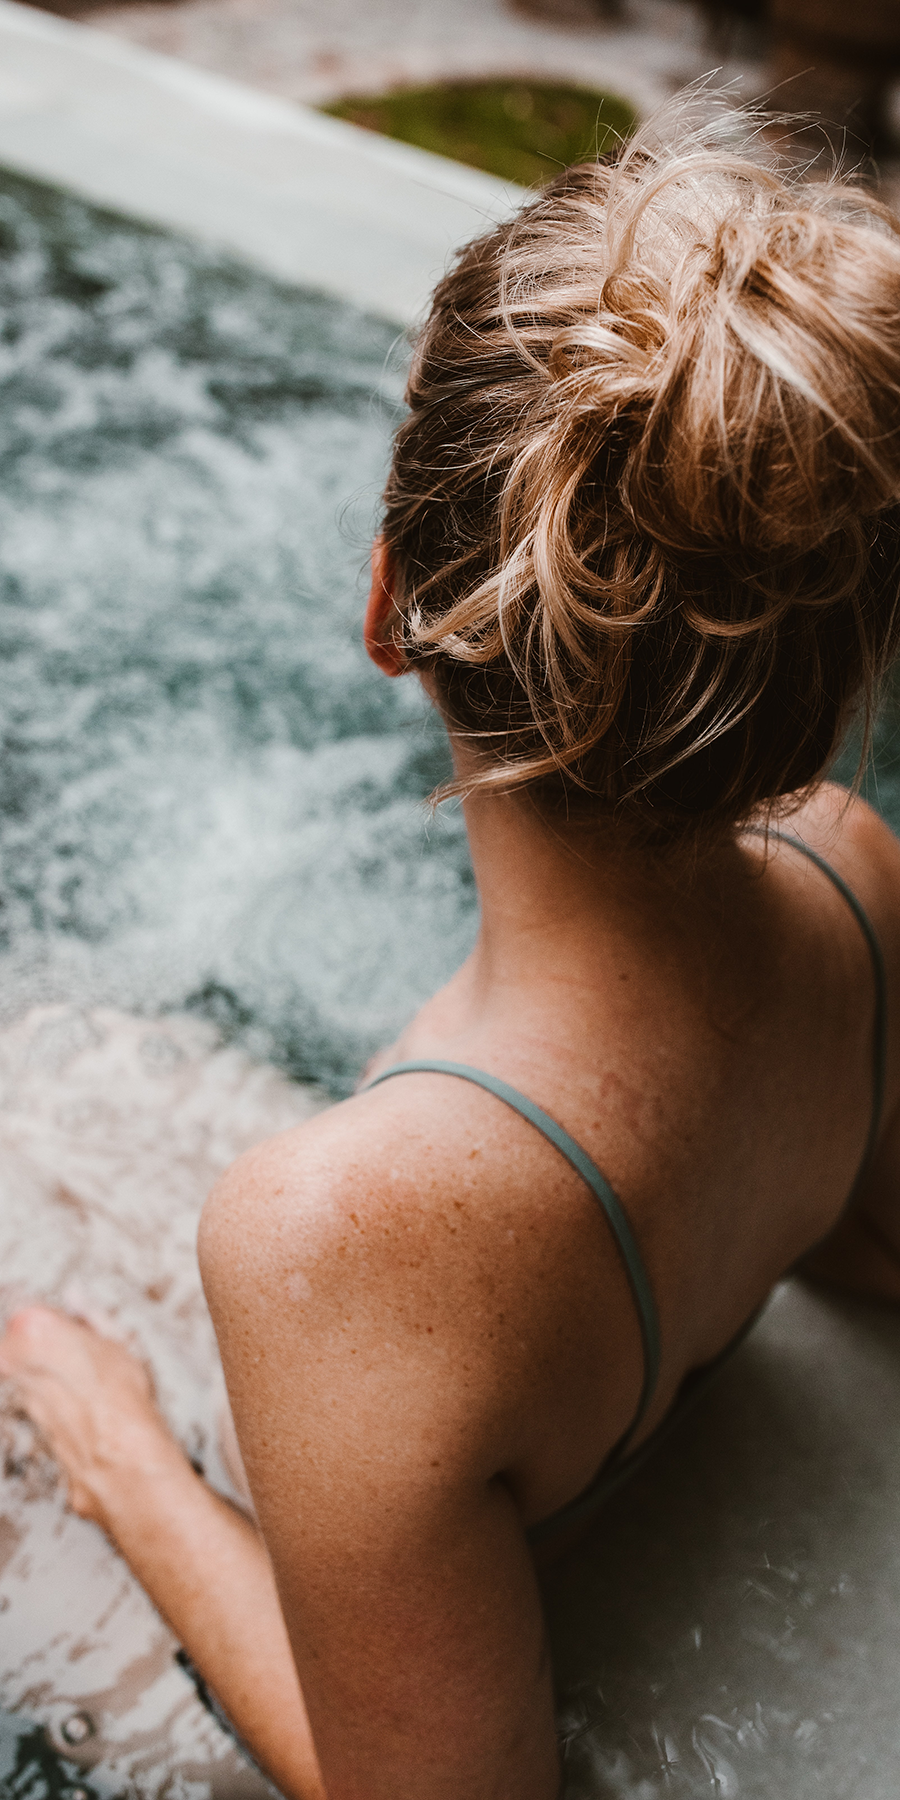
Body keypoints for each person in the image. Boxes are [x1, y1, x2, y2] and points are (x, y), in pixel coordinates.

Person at [2, 115, 900, 1800]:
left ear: (386, 598)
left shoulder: (329, 1239)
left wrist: (111, 1446)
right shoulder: (859, 880)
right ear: (816, 688)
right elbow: (873, 1244)